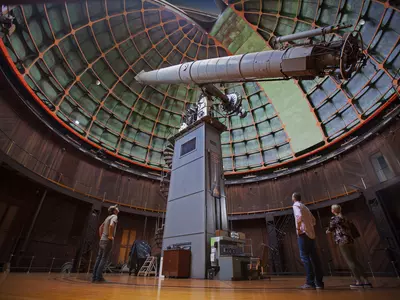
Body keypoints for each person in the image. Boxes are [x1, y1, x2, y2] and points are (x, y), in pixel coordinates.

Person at [326, 204, 372, 288]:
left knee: (350, 261)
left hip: (342, 241)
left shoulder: (334, 219)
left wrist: (327, 231)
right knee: (355, 260)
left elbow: (330, 229)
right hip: (350, 240)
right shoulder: (345, 218)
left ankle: (358, 282)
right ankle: (366, 280)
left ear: (333, 211)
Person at [292, 192, 324, 289]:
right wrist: (309, 227)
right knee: (315, 258)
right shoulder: (305, 207)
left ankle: (310, 282)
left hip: (303, 234)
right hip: (311, 235)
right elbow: (313, 220)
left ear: (293, 198)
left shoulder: (295, 205)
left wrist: (299, 229)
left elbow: (299, 217)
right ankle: (319, 282)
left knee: (305, 258)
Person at [92, 205, 119, 283]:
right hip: (108, 240)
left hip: (102, 240)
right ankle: (98, 278)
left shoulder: (107, 217)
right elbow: (111, 225)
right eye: (116, 208)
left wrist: (101, 236)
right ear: (114, 211)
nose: (118, 208)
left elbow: (101, 227)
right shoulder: (114, 217)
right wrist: (110, 236)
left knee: (99, 258)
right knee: (104, 258)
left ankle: (94, 277)